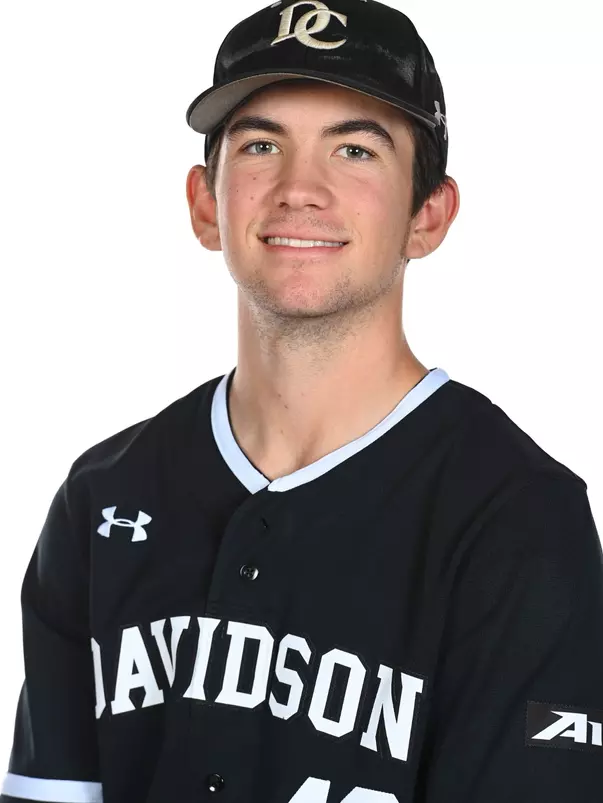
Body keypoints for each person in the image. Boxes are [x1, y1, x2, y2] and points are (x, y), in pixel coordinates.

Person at [2, 0, 602, 801]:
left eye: (355, 149)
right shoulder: (103, 494)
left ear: (427, 215)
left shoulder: (518, 517)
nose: (299, 189)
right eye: (260, 145)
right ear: (206, 204)